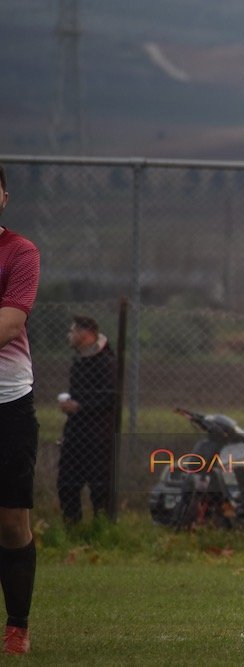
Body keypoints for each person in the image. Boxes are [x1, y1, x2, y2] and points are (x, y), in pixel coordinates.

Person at [0, 164, 40, 655]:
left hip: (8, 400)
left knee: (11, 522)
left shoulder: (19, 252)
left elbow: (9, 325)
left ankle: (18, 627)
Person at [58, 315, 117, 524]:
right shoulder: (79, 360)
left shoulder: (106, 362)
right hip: (75, 432)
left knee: (100, 487)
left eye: (73, 331)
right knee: (66, 483)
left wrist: (80, 407)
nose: (70, 335)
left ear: (86, 334)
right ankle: (71, 527)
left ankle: (103, 527)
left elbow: (110, 398)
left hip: (98, 435)